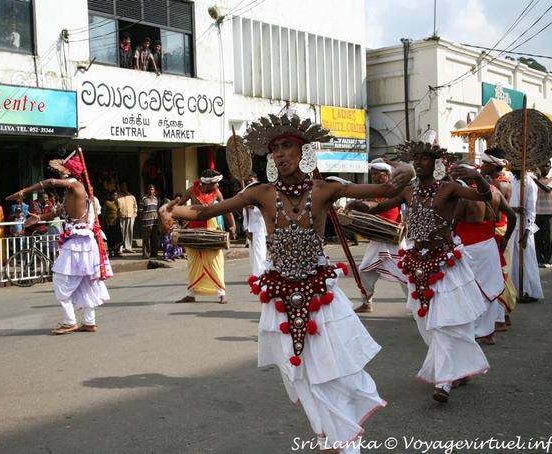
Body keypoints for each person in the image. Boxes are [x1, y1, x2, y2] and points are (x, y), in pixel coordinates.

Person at [161, 114, 415, 451]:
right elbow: (203, 214)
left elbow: (388, 189)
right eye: (275, 150)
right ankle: (329, 434)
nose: (280, 155)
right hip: (280, 294)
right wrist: (169, 211)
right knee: (302, 372)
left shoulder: (327, 188)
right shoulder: (261, 193)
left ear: (304, 152)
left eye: (287, 147)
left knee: (332, 366)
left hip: (319, 292)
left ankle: (344, 439)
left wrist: (406, 170)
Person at [349, 141, 493, 403]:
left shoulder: (449, 188)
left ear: (436, 163)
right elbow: (380, 208)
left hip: (445, 263)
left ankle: (444, 381)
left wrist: (478, 178)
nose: (417, 162)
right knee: (426, 323)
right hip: (416, 264)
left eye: (423, 158)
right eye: (414, 158)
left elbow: (484, 197)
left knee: (446, 323)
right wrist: (359, 206)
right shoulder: (408, 192)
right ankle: (457, 368)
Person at [6, 151, 110, 335]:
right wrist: (38, 218)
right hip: (80, 242)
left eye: (63, 172)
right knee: (85, 282)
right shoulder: (71, 193)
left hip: (79, 243)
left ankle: (70, 321)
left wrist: (23, 191)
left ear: (69, 174)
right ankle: (89, 321)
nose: (59, 176)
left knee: (61, 280)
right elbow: (55, 213)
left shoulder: (76, 186)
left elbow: (50, 182)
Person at [453, 162, 516, 345]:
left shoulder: (464, 198)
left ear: (466, 177)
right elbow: (512, 217)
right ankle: (489, 331)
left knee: (468, 289)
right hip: (489, 246)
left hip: (469, 248)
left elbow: (451, 225)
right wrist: (505, 239)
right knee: (489, 287)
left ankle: (473, 330)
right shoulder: (495, 192)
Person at [350, 161, 408, 313]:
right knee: (364, 271)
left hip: (393, 239)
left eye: (378, 173)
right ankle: (367, 303)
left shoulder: (397, 191)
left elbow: (406, 210)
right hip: (377, 239)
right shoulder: (374, 191)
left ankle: (418, 304)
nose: (374, 177)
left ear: (387, 175)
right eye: (373, 174)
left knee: (405, 275)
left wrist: (405, 222)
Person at [172, 170, 236, 305]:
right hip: (193, 228)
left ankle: (221, 294)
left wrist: (232, 226)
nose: (217, 186)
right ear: (206, 184)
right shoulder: (191, 191)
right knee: (193, 262)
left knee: (215, 261)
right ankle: (191, 294)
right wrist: (177, 219)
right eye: (215, 183)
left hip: (210, 228)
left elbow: (226, 209)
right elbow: (179, 206)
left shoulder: (217, 193)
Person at [480, 148, 517, 325]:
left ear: (494, 166)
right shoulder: (495, 182)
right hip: (495, 229)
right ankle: (501, 315)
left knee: (499, 273)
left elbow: (499, 211)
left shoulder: (499, 185)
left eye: (485, 164)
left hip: (498, 230)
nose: (481, 166)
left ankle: (502, 316)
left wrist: (505, 238)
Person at [508, 168, 544, 303]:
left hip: (524, 228)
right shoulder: (512, 180)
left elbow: (531, 211)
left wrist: (527, 231)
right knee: (513, 260)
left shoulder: (530, 184)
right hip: (512, 225)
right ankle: (516, 291)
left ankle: (530, 291)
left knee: (527, 260)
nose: (511, 166)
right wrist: (513, 209)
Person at [533, 161, 552, 268]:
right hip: (536, 212)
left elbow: (548, 190)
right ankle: (540, 259)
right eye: (542, 166)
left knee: (549, 238)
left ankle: (548, 260)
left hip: (549, 213)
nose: (544, 168)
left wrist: (536, 181)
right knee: (537, 237)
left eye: (547, 166)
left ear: (550, 167)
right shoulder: (535, 178)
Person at [242, 173, 267, 276]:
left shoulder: (261, 192)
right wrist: (246, 227)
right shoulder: (246, 193)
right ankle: (255, 273)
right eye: (248, 181)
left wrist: (253, 207)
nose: (249, 182)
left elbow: (264, 209)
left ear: (256, 180)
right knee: (252, 252)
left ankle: (260, 274)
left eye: (251, 180)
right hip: (250, 226)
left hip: (259, 226)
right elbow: (245, 213)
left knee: (259, 249)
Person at [160, 193, 185, 262]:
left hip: (173, 227)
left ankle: (171, 255)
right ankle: (166, 256)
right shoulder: (165, 209)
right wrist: (167, 226)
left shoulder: (174, 209)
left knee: (172, 242)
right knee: (167, 242)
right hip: (168, 228)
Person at [139, 184, 160, 259]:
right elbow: (140, 212)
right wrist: (142, 222)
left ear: (154, 191)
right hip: (146, 223)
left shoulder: (156, 199)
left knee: (154, 239)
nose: (151, 191)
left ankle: (154, 254)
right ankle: (146, 254)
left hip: (155, 222)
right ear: (147, 190)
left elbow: (157, 210)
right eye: (150, 189)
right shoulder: (143, 199)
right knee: (146, 240)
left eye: (152, 189)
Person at [117, 182, 138, 253]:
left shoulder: (131, 196)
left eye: (125, 186)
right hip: (121, 216)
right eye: (122, 186)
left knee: (129, 232)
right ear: (120, 187)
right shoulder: (118, 196)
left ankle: (128, 247)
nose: (124, 187)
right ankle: (120, 248)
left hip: (130, 216)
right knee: (121, 232)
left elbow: (135, 206)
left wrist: (134, 214)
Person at [103, 189, 123, 257]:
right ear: (111, 195)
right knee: (111, 237)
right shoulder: (107, 203)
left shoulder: (117, 202)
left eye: (116, 195)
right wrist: (105, 223)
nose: (115, 196)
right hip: (110, 223)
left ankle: (117, 251)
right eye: (114, 195)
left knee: (117, 237)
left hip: (117, 222)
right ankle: (111, 252)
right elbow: (104, 213)